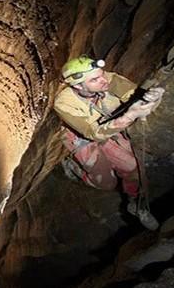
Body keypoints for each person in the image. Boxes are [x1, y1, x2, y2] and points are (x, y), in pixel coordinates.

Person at [54, 56, 165, 230]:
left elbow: (137, 98)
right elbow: (92, 133)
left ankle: (136, 205)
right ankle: (75, 169)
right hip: (83, 137)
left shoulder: (110, 80)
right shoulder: (63, 102)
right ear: (78, 86)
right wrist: (129, 116)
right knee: (106, 184)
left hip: (110, 130)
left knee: (134, 168)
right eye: (95, 79)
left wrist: (152, 99)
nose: (103, 80)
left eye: (101, 74)